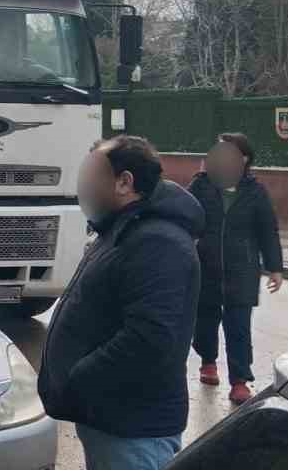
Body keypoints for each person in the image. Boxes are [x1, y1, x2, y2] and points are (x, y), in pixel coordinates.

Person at [39, 136, 203, 470]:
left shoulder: (158, 242)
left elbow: (149, 339)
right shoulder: (121, 231)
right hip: (111, 419)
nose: (81, 187)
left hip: (132, 429)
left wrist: (79, 378)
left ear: (124, 182)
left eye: (90, 177)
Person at [188, 133, 284, 405]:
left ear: (243, 158)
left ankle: (240, 381)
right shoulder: (201, 185)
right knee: (205, 320)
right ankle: (208, 361)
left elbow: (268, 230)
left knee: (238, 326)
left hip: (242, 269)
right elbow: (183, 216)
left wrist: (275, 267)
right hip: (206, 267)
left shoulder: (255, 191)